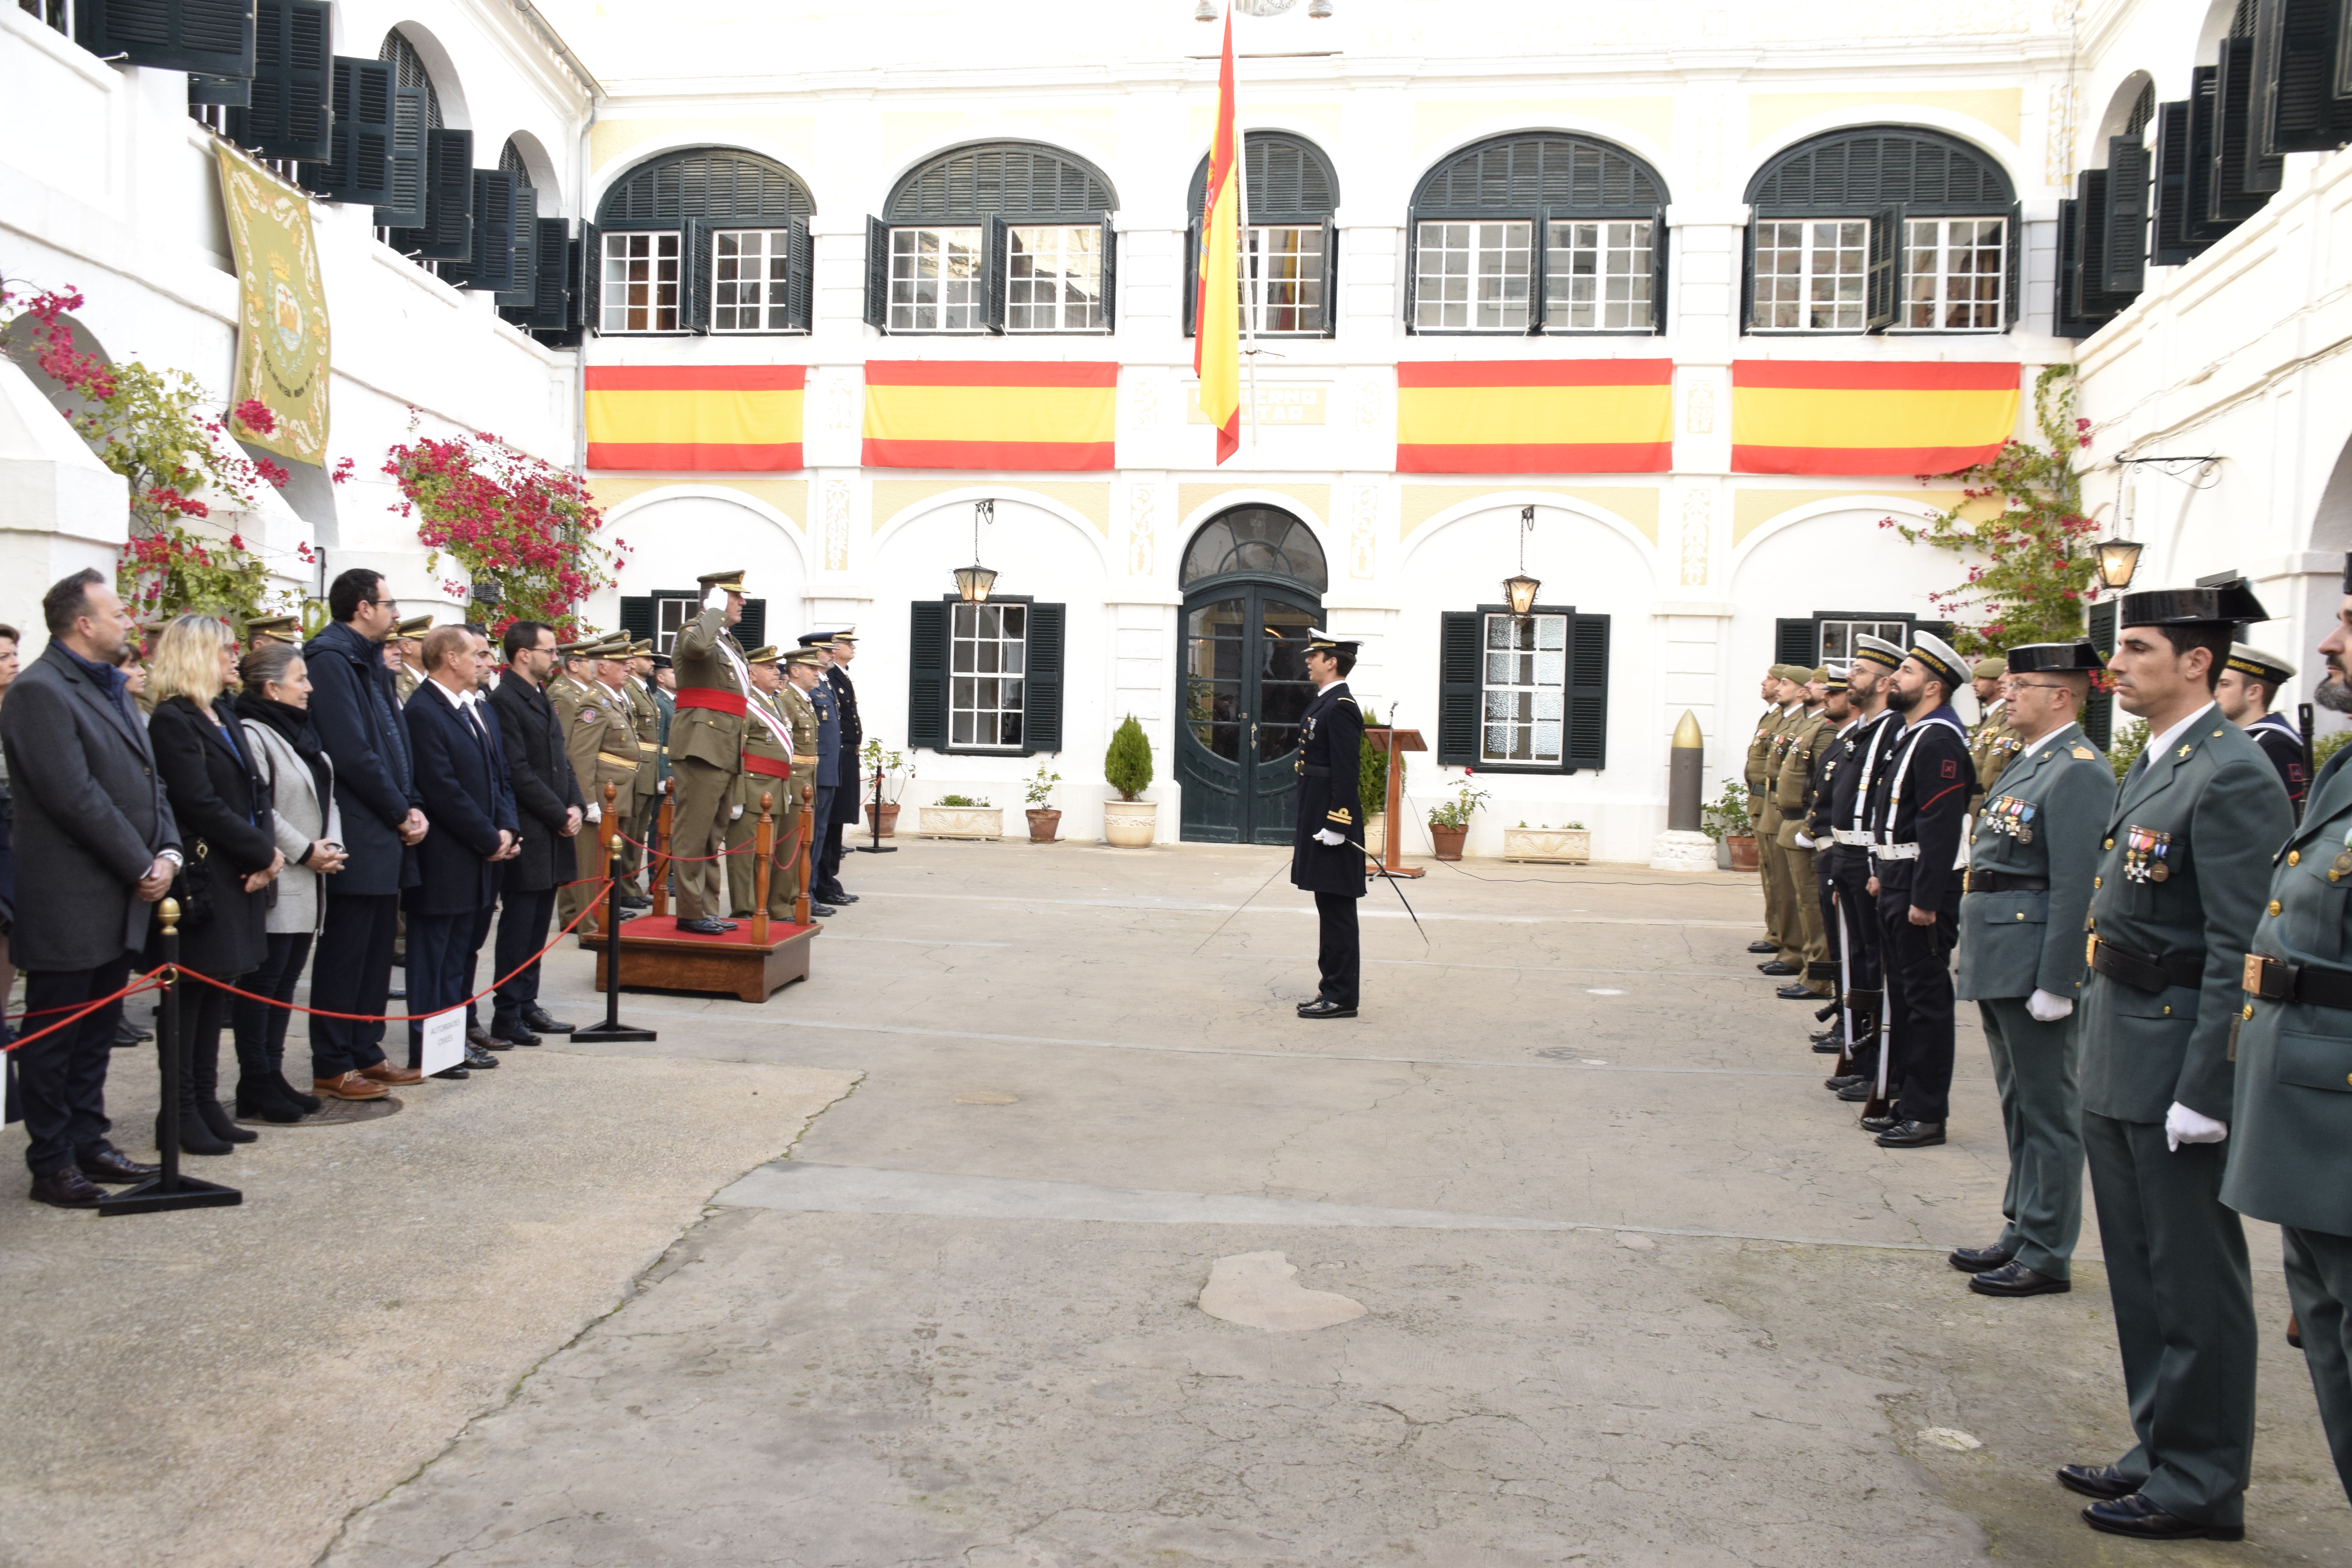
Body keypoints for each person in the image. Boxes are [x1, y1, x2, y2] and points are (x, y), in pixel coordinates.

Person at [2065, 577, 2291, 1543]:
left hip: (2176, 1062)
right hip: (2120, 1039)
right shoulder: (2157, 759)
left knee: (2194, 1277)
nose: (2117, 666)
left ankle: (2203, 1476)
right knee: (2139, 1269)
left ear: (2198, 661)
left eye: (2140, 650)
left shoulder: (2230, 771)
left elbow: (2241, 944)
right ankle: (2160, 1440)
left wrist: (2211, 1086)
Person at [2230, 552, 2352, 1510]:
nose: (2327, 637)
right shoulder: (2346, 763)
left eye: (2348, 620)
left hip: (2338, 1110)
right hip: (2309, 1103)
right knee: (2328, 1337)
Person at [2, 570, 174, 1206]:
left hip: (121, 893)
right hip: (71, 897)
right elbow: (75, 797)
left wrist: (169, 851)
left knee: (97, 1030)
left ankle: (87, 1139)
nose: (128, 621)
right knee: (55, 1038)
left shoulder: (109, 689)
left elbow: (147, 781)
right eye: (117, 613)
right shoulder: (40, 692)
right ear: (84, 624)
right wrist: (141, 865)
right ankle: (51, 1162)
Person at [1949, 641, 2112, 1298]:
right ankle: (2021, 1226)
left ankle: (2048, 1249)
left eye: (2022, 685)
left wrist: (2059, 980)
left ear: (2062, 696)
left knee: (2049, 1110)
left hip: (2034, 958)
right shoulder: (2033, 760)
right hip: (2003, 951)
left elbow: (2077, 886)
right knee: (2019, 1104)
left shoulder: (2077, 769)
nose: (2006, 694)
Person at [144, 615, 283, 1154]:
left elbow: (255, 790)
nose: (236, 659)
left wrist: (266, 851)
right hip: (206, 877)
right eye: (225, 651)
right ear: (198, 656)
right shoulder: (173, 720)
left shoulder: (222, 713)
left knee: (215, 993)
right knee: (190, 997)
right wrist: (261, 850)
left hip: (240, 872)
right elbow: (198, 802)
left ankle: (205, 1101)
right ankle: (178, 1112)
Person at [303, 569, 427, 1103]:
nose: (396, 614)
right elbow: (353, 752)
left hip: (387, 823)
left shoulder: (370, 659)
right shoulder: (331, 660)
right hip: (359, 823)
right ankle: (333, 1061)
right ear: (362, 607)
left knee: (378, 948)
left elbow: (395, 740)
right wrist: (400, 810)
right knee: (349, 948)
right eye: (389, 603)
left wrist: (412, 804)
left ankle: (366, 1049)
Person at [1860, 630, 1978, 1149]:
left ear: (1932, 687)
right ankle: (1908, 1099)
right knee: (1905, 997)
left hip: (1921, 888)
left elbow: (1939, 826)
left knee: (1926, 1001)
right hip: (1897, 879)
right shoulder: (1912, 735)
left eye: (1906, 672)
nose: (1895, 679)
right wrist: (1880, 871)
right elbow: (1891, 818)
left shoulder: (1941, 740)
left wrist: (1927, 900)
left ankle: (1928, 1113)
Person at [231, 639, 347, 1123]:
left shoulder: (301, 732)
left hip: (312, 875)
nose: (310, 687)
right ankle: (255, 1080)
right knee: (265, 983)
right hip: (284, 873)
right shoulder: (254, 733)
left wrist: (333, 845)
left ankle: (272, 1074)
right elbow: (262, 807)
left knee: (285, 984)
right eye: (301, 679)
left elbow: (327, 797)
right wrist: (306, 850)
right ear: (272, 686)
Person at [402, 624, 517, 1080]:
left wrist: (507, 827)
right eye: (477, 654)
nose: (485, 662)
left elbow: (499, 777)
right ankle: (432, 1050)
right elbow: (443, 789)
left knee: (463, 953)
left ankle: (458, 1035)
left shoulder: (479, 710)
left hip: (483, 856)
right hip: (447, 859)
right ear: (451, 658)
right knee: (435, 959)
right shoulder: (424, 711)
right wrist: (489, 838)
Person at [486, 620, 582, 1048]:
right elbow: (518, 770)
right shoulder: (506, 699)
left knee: (539, 922)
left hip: (554, 824)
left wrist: (576, 803)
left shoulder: (539, 694)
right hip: (532, 825)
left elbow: (561, 759)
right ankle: (507, 1011)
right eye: (549, 651)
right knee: (520, 923)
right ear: (524, 654)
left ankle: (527, 1002)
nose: (555, 658)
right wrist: (558, 813)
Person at [1821, 635, 1907, 1097]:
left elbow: (1882, 803)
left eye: (1859, 670)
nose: (1849, 676)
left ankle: (1880, 1066)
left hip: (1869, 859)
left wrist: (1874, 861)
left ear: (1883, 681)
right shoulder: (1865, 729)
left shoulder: (1892, 727)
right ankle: (1861, 1054)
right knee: (1858, 961)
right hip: (1848, 854)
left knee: (1874, 962)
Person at [668, 571, 751, 935]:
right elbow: (696, 650)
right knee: (694, 832)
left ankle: (707, 907)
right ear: (716, 599)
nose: (743, 602)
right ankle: (689, 912)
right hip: (702, 746)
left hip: (724, 745)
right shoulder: (696, 632)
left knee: (713, 834)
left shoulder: (727, 641)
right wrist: (712, 613)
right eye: (735, 597)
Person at [1293, 631, 1366, 1020]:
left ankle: (1339, 995)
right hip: (1318, 817)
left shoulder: (1340, 706)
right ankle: (1333, 989)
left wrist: (1338, 823)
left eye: (1314, 654)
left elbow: (1346, 770)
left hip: (1332, 826)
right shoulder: (1327, 702)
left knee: (1337, 910)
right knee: (1329, 906)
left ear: (1332, 661)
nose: (1308, 660)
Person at [1771, 666, 1834, 1001]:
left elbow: (1824, 783)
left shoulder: (1826, 728)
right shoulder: (1811, 724)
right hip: (1792, 820)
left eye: (1817, 682)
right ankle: (1811, 969)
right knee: (1803, 902)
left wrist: (1812, 825)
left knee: (1813, 906)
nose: (1809, 685)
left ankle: (1818, 976)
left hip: (1806, 823)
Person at [1756, 667, 1809, 978]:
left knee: (1790, 885)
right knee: (1774, 878)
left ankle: (1793, 948)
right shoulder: (1780, 718)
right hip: (1768, 803)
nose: (1768, 685)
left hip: (1784, 808)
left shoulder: (1804, 722)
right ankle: (1782, 938)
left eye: (1782, 682)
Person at [2218, 642, 2308, 819]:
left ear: (2254, 693)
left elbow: (2291, 817)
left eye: (2225, 684)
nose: (2215, 692)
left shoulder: (2275, 745)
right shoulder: (2237, 739)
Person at [1745, 668, 1788, 958]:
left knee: (1780, 875)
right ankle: (1775, 931)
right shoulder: (1772, 716)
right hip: (1761, 800)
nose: (1765, 683)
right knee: (1770, 872)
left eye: (1774, 680)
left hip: (1773, 802)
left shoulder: (1785, 718)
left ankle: (1784, 936)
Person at [818, 629, 861, 905]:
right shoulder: (830, 677)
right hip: (836, 755)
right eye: (846, 643)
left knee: (836, 823)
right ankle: (824, 881)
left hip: (845, 755)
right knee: (829, 822)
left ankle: (829, 880)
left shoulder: (840, 676)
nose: (850, 647)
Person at [624, 638, 662, 895]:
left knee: (639, 834)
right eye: (647, 658)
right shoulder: (629, 689)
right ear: (633, 660)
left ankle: (631, 886)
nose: (652, 663)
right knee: (629, 833)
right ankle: (625, 888)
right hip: (637, 768)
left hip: (650, 768)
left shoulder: (643, 690)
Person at [1968, 656, 2018, 809]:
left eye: (1982, 678)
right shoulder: (1993, 714)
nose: (1974, 683)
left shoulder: (2008, 715)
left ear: (1998, 683)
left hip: (1991, 802)